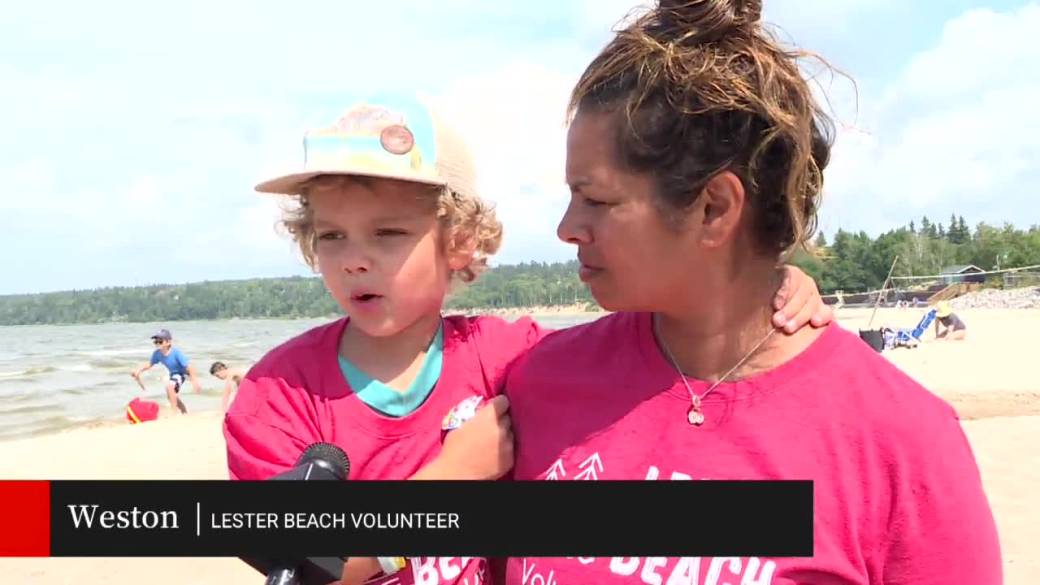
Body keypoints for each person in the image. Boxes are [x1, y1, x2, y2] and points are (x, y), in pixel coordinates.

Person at [221, 93, 831, 585]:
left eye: (386, 233)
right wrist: (448, 482)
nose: (355, 261)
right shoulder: (277, 395)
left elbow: (653, 340)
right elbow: (304, 568)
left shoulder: (508, 357)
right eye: (331, 237)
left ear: (459, 240)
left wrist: (765, 286)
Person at [499, 1, 1002, 583]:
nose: (566, 228)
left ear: (714, 208)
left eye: (596, 199)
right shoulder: (538, 381)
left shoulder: (901, 445)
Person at [131, 328, 201, 414]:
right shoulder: (157, 354)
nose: (157, 343)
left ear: (168, 342)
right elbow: (149, 364)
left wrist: (194, 381)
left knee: (169, 387)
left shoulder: (176, 353)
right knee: (170, 394)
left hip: (183, 373)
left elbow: (189, 367)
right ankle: (184, 411)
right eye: (155, 342)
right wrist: (139, 370)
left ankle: (173, 413)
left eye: (160, 341)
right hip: (173, 374)